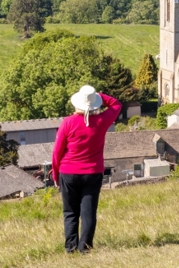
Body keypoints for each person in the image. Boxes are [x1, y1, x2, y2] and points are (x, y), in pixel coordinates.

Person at [51, 85, 122, 254]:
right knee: (88, 213)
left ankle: (70, 248)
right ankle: (85, 248)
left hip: (68, 172)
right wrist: (97, 95)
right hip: (93, 173)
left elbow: (57, 151)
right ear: (95, 104)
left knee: (70, 212)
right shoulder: (102, 121)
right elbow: (116, 104)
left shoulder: (68, 122)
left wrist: (55, 175)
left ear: (77, 104)